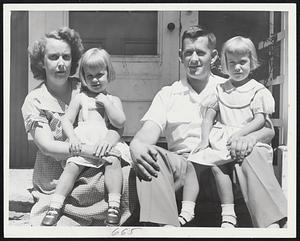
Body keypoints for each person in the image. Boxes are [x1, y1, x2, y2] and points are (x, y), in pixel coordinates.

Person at [130, 25, 287, 228]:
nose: (194, 59)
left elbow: (267, 129)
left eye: (200, 53)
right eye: (188, 53)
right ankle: (164, 227)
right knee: (149, 153)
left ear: (213, 57)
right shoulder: (168, 94)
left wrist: (248, 138)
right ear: (180, 56)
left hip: (226, 166)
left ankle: (271, 226)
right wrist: (136, 146)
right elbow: (145, 137)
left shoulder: (232, 86)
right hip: (186, 170)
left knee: (253, 151)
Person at [21, 27, 136, 226]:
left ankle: (113, 211)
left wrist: (108, 143)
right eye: (53, 57)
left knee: (127, 180)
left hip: (97, 166)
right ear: (41, 62)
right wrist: (92, 151)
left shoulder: (85, 87)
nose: (60, 64)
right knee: (62, 219)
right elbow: (48, 147)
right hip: (58, 175)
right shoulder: (35, 100)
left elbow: (116, 125)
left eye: (66, 57)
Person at [184, 36, 285, 228]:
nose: (237, 68)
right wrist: (204, 140)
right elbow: (208, 117)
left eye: (243, 62)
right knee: (208, 162)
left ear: (251, 62)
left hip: (248, 136)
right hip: (223, 140)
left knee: (245, 158)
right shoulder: (220, 89)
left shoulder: (257, 90)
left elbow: (260, 119)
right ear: (224, 64)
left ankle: (270, 220)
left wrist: (241, 134)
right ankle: (218, 214)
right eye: (232, 63)